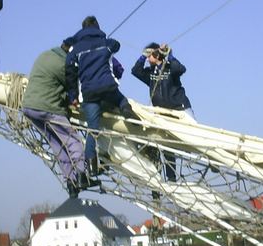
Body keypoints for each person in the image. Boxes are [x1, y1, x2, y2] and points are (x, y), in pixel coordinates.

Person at [22, 38, 98, 198]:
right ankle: (82, 176)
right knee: (73, 140)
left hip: (29, 107)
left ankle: (71, 183)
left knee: (57, 144)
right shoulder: (65, 65)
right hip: (48, 108)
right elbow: (74, 90)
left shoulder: (45, 55)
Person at [65, 16, 136, 169]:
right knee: (121, 99)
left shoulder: (75, 49)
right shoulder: (106, 44)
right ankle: (126, 111)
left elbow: (70, 73)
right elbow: (116, 45)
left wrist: (73, 97)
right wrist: (106, 40)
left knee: (93, 130)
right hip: (107, 87)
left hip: (89, 94)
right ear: (97, 27)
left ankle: (91, 163)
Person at [132, 42, 194, 180]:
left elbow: (181, 69)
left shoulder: (170, 68)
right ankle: (171, 179)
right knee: (167, 148)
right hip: (163, 114)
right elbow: (135, 71)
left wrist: (169, 56)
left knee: (196, 137)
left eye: (149, 55)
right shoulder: (150, 73)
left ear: (156, 54)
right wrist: (143, 56)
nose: (148, 59)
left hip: (180, 109)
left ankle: (214, 163)